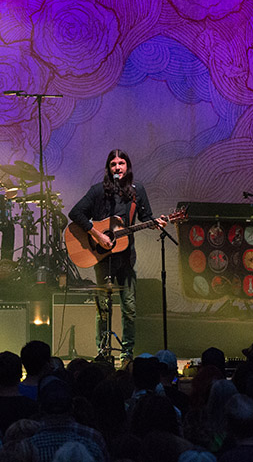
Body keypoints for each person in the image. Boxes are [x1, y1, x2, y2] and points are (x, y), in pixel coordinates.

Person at [67, 149, 164, 365]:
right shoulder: (98, 191)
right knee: (103, 307)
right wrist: (97, 234)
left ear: (128, 167)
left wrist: (157, 223)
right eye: (113, 164)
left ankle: (127, 353)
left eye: (121, 163)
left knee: (129, 308)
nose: (117, 167)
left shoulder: (137, 191)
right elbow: (75, 213)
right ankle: (103, 351)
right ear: (108, 168)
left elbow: (146, 217)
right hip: (102, 258)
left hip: (127, 258)